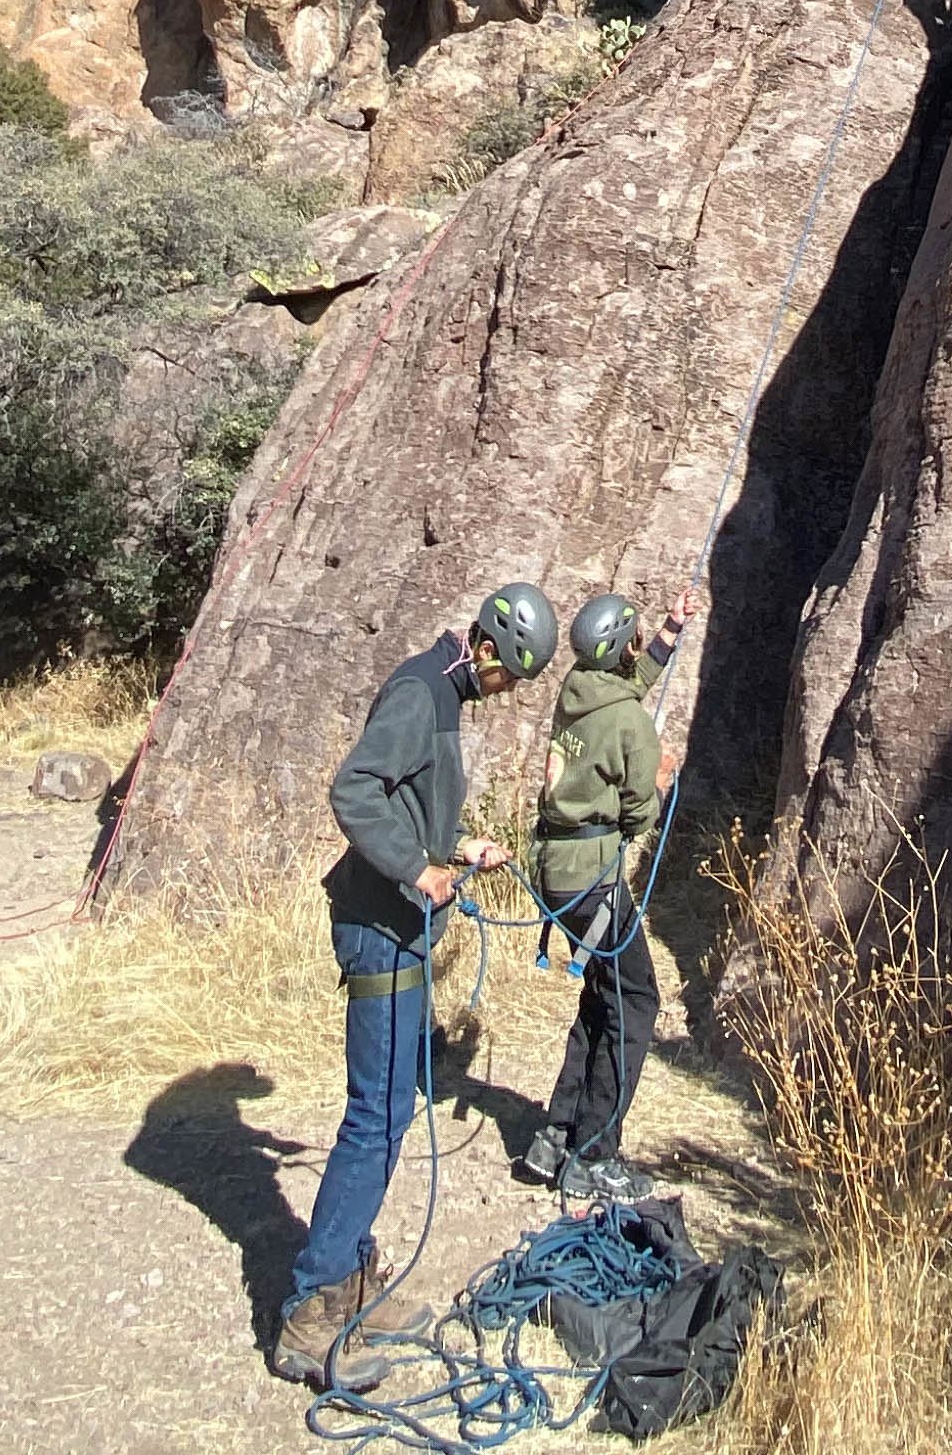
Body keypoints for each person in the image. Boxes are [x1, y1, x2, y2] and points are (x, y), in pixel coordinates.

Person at [273, 578, 562, 1389]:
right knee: (373, 1117)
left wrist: (457, 848)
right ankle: (310, 1309)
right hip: (377, 926)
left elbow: (406, 801)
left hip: (398, 928)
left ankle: (350, 1273)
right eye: (508, 677)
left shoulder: (443, 695)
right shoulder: (419, 692)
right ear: (486, 648)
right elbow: (355, 788)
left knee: (392, 1109)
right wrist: (416, 869)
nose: (504, 695)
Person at [517, 585, 697, 1207]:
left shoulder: (579, 691)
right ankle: (595, 1156)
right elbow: (637, 816)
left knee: (603, 994)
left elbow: (629, 685)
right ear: (622, 647)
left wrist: (673, 628)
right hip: (593, 877)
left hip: (555, 868)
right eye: (639, 641)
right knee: (637, 1001)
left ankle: (555, 1136)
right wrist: (659, 777)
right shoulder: (630, 725)